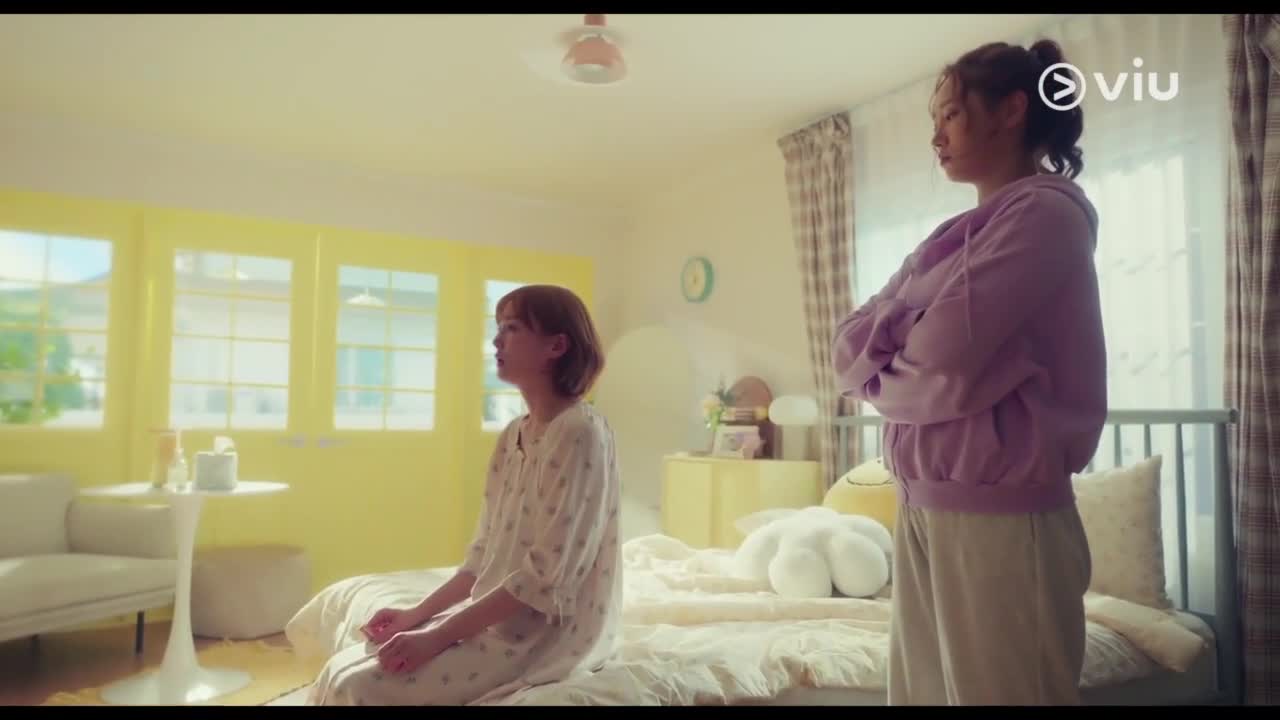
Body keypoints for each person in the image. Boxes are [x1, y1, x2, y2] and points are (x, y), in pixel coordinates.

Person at [831, 39, 1105, 706]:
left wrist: (888, 346)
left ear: (1011, 110)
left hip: (1002, 516)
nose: (936, 136)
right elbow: (844, 347)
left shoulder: (1046, 214)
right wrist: (905, 334)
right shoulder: (949, 238)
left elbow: (943, 365)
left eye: (950, 114)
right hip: (922, 502)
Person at [307, 284, 622, 706]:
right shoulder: (513, 434)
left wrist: (437, 637)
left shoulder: (580, 432)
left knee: (358, 687)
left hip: (546, 636)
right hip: (498, 618)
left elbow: (546, 576)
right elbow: (482, 556)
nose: (496, 340)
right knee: (343, 668)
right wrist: (416, 616)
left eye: (512, 328)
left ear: (556, 346)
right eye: (498, 327)